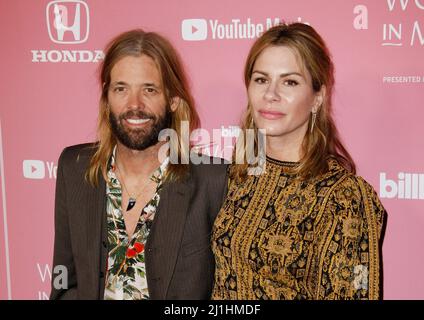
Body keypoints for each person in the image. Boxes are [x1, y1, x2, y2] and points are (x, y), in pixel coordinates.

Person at [211, 23, 387, 300]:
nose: (271, 94)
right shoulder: (232, 178)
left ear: (317, 97)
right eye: (261, 79)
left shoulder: (344, 197)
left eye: (290, 82)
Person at [50, 29, 228, 300]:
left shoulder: (213, 180)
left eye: (149, 90)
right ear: (107, 98)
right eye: (121, 89)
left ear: (172, 99)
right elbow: (65, 279)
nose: (134, 105)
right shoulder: (74, 168)